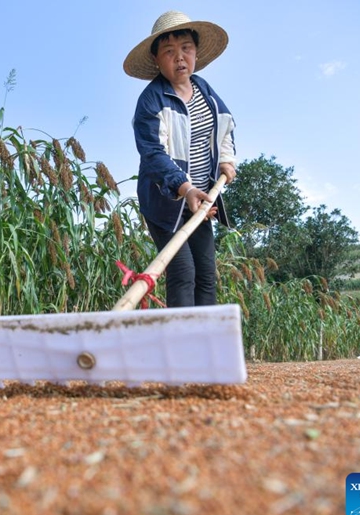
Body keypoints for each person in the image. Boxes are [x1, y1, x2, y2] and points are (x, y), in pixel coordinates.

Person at [123, 10, 237, 308]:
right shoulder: (151, 101)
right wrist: (185, 189)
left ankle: (205, 345)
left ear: (196, 52)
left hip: (201, 200)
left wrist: (226, 159)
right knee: (183, 271)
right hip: (166, 203)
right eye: (169, 52)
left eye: (186, 48)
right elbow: (152, 155)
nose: (179, 58)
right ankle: (180, 348)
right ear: (157, 61)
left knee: (206, 274)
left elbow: (225, 125)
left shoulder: (205, 91)